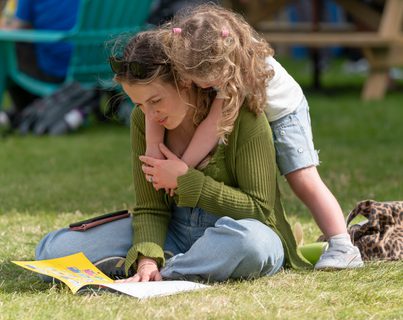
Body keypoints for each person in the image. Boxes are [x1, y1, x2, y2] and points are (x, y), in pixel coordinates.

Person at [35, 29, 312, 282]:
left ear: (185, 81)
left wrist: (188, 182)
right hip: (174, 232)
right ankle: (166, 266)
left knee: (251, 245)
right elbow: (151, 207)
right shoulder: (144, 120)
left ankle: (170, 270)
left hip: (238, 231)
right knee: (53, 250)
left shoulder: (243, 116)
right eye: (139, 104)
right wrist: (146, 257)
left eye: (155, 101)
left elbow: (260, 209)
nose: (150, 114)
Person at [144, 4, 363, 269]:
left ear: (220, 67)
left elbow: (213, 125)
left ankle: (343, 245)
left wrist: (182, 169)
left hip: (285, 115)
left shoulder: (241, 73)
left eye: (201, 80)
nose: (197, 86)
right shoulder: (218, 60)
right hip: (258, 116)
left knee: (302, 178)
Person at [0, 0, 80, 129]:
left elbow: (17, 28)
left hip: (55, 70)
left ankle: (24, 111)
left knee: (7, 51)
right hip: (88, 66)